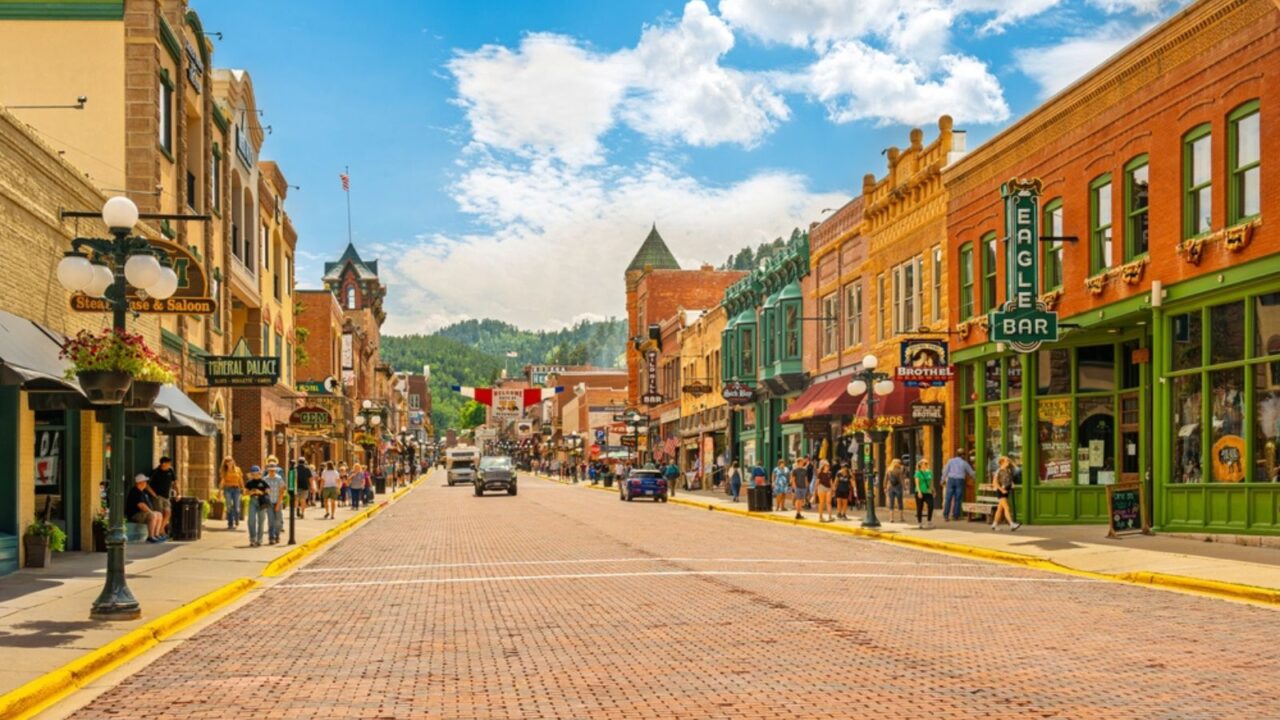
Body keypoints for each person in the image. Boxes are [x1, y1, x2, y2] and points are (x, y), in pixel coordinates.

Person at [128, 474, 166, 543]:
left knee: (159, 514)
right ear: (140, 483)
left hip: (142, 514)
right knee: (153, 515)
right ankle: (150, 537)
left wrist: (152, 512)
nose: (146, 483)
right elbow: (141, 505)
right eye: (145, 481)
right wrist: (151, 512)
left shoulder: (143, 492)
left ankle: (156, 535)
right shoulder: (135, 491)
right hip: (135, 515)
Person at [942, 449, 976, 521]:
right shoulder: (964, 463)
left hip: (951, 480)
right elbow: (971, 473)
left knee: (948, 498)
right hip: (960, 481)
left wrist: (942, 480)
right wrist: (975, 478)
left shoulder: (950, 461)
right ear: (963, 455)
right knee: (958, 499)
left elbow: (945, 471)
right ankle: (955, 516)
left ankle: (946, 515)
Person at [147, 456, 178, 536]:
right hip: (158, 497)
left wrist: (178, 493)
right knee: (160, 514)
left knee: (168, 513)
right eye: (168, 463)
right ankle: (158, 532)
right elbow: (146, 484)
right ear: (163, 463)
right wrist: (153, 494)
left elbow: (175, 483)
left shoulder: (170, 470)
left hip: (167, 497)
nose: (169, 465)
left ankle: (161, 529)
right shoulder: (155, 472)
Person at [991, 455, 1021, 531]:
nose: (1008, 462)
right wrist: (1001, 490)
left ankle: (994, 524)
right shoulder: (999, 471)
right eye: (1006, 461)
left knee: (1000, 509)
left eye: (1008, 461)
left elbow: (1017, 470)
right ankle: (1011, 524)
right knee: (1006, 508)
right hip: (1001, 491)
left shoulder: (1008, 470)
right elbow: (994, 482)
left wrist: (1012, 483)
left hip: (1006, 491)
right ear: (1002, 462)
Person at [243, 466, 270, 547]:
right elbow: (245, 493)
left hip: (261, 502)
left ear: (259, 473)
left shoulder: (263, 482)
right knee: (251, 520)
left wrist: (260, 492)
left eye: (256, 473)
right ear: (251, 474)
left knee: (261, 521)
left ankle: (259, 540)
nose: (255, 475)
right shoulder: (249, 482)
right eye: (253, 474)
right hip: (253, 501)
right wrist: (250, 492)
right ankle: (252, 539)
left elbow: (268, 492)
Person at [263, 458, 287, 545]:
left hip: (277, 502)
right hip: (269, 503)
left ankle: (277, 535)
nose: (272, 472)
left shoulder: (279, 479)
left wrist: (278, 504)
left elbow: (281, 492)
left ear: (276, 470)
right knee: (271, 520)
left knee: (278, 520)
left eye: (273, 470)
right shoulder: (265, 479)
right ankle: (271, 537)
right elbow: (263, 491)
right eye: (270, 470)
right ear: (268, 470)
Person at [219, 456, 244, 531]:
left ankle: (236, 519)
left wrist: (243, 488)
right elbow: (222, 481)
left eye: (230, 461)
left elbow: (240, 479)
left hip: (236, 489)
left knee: (236, 507)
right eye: (227, 461)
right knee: (229, 506)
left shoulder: (238, 469)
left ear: (233, 461)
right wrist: (220, 491)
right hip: (227, 489)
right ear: (225, 463)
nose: (229, 462)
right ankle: (230, 523)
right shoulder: (224, 471)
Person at [915, 459, 935, 529]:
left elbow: (930, 482)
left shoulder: (929, 472)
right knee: (920, 507)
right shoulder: (918, 473)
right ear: (920, 464)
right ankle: (919, 522)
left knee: (931, 505)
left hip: (928, 492)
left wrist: (933, 490)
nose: (926, 465)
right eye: (925, 463)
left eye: (927, 463)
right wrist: (919, 492)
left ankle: (929, 521)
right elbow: (917, 483)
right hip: (920, 491)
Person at [884, 458, 907, 523]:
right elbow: (901, 479)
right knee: (900, 502)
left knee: (891, 503)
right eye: (899, 463)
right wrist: (904, 487)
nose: (900, 464)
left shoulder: (888, 470)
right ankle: (901, 518)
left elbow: (885, 479)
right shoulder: (899, 471)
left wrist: (885, 487)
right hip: (898, 487)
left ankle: (891, 518)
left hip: (890, 488)